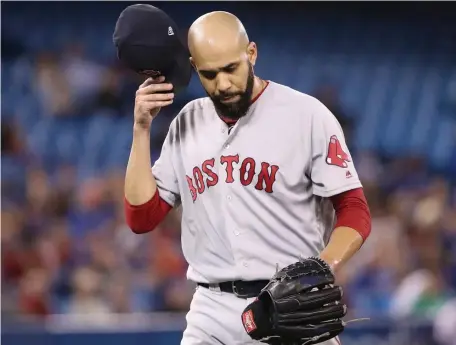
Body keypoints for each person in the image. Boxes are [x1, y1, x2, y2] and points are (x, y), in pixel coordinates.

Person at [124, 11, 372, 345]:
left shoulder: (306, 116)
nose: (223, 84)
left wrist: (322, 268)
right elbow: (141, 217)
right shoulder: (186, 122)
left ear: (251, 53)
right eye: (210, 74)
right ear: (194, 67)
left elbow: (355, 209)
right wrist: (141, 129)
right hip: (210, 310)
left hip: (289, 306)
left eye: (231, 68)